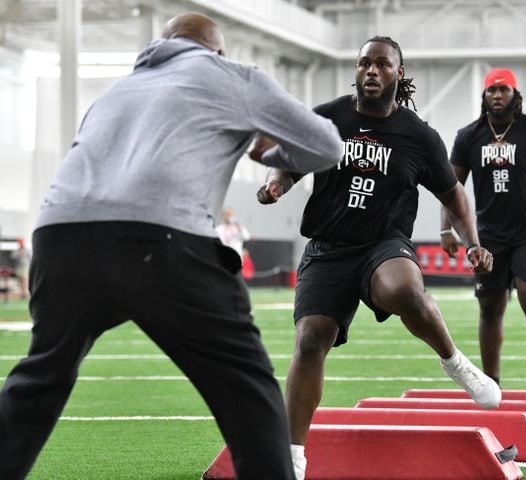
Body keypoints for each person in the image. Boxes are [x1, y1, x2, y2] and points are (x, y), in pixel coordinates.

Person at [0, 12, 343, 480]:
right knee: (246, 387)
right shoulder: (233, 76)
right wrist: (268, 154)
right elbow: (326, 147)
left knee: (39, 379)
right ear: (217, 52)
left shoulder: (116, 92)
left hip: (59, 237)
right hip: (158, 239)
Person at [255, 36, 500, 480]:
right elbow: (289, 162)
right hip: (328, 247)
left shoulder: (418, 135)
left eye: (382, 65)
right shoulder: (328, 117)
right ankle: (292, 456)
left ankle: (454, 361)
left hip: (382, 244)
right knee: (311, 340)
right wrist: (277, 185)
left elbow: (454, 195)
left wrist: (473, 243)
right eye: (364, 63)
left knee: (408, 293)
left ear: (398, 74)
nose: (371, 71)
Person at [441, 68, 526, 391]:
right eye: (491, 90)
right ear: (483, 96)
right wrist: (446, 229)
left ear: (515, 95)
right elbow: (451, 187)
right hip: (487, 234)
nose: (497, 95)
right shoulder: (469, 136)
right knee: (489, 306)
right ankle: (491, 383)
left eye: (503, 90)